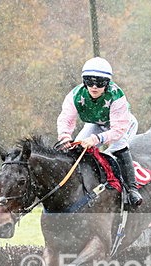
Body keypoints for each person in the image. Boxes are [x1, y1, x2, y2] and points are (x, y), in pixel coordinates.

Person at [55, 57, 142, 207]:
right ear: (84, 81)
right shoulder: (75, 95)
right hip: (96, 123)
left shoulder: (116, 96)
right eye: (89, 81)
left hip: (121, 126)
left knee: (116, 149)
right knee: (77, 150)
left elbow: (118, 130)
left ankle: (132, 190)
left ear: (107, 83)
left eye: (100, 82)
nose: (94, 87)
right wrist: (64, 137)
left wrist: (97, 139)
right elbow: (66, 119)